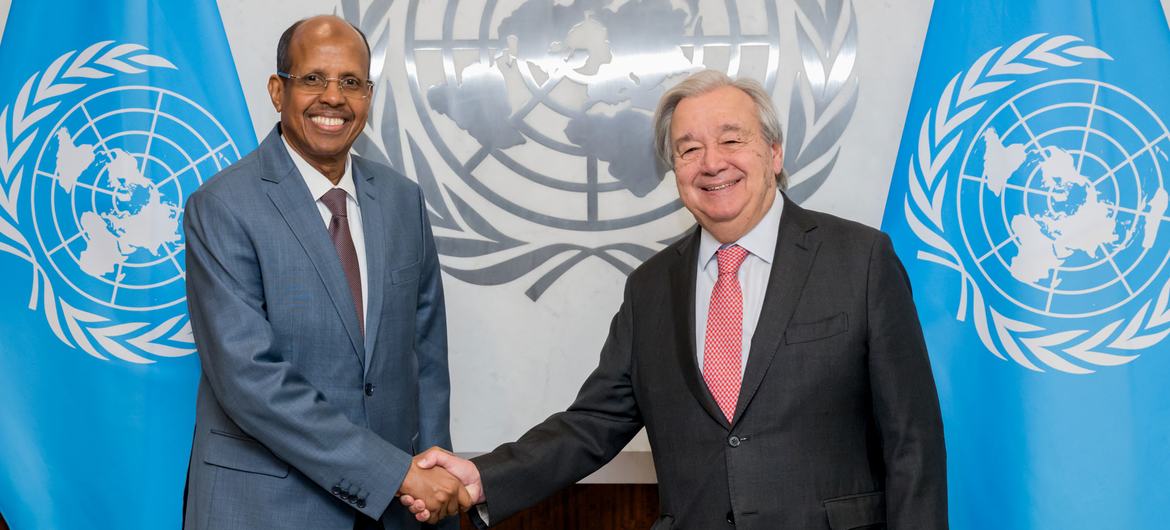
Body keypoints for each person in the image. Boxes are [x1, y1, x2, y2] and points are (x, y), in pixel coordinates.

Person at [405, 70, 948, 529]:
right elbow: (592, 424)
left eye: (732, 139)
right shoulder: (650, 288)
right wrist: (480, 478)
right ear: (676, 172)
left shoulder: (860, 259)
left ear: (774, 151)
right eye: (689, 148)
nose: (712, 163)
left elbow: (913, 444)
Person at [182, 15, 469, 529]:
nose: (333, 98)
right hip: (265, 510)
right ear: (278, 90)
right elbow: (251, 381)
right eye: (313, 78)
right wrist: (398, 476)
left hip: (398, 515)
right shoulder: (222, 206)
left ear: (369, 96)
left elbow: (426, 359)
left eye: (351, 83)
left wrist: (432, 485)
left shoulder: (403, 201)